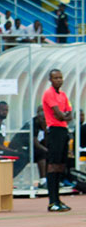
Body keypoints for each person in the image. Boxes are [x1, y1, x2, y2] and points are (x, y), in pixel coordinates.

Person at [42, 69, 72, 211]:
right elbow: (59, 115)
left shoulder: (63, 95)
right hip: (54, 130)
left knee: (61, 164)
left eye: (60, 77)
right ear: (50, 80)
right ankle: (52, 201)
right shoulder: (49, 94)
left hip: (63, 130)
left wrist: (64, 116)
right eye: (55, 78)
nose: (59, 80)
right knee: (53, 165)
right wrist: (63, 116)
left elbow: (69, 114)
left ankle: (58, 199)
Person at [11, 106, 47, 181]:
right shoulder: (33, 123)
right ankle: (43, 180)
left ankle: (53, 180)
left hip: (30, 148)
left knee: (46, 154)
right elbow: (35, 142)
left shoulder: (43, 124)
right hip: (20, 148)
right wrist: (47, 150)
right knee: (42, 153)